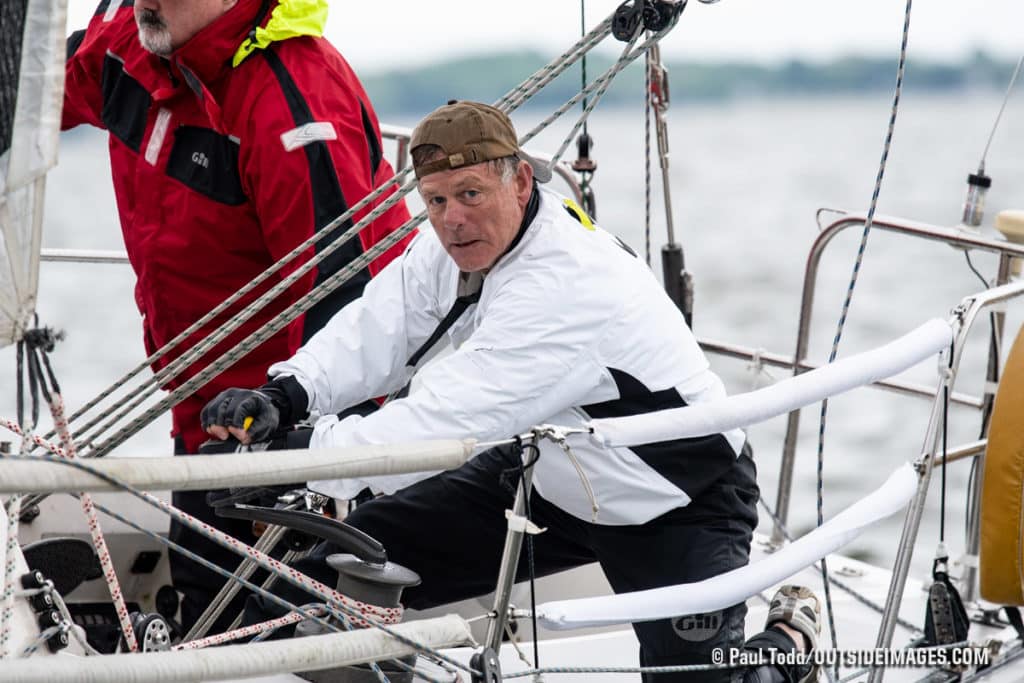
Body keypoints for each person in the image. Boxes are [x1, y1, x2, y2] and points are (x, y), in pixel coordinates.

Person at [202, 100, 814, 682]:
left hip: (674, 499)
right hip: (548, 476)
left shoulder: (564, 282)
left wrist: (302, 461)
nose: (452, 218)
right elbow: (383, 325)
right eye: (436, 200)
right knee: (335, 574)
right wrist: (287, 394)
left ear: (521, 181)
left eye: (470, 194)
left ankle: (791, 639)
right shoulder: (462, 242)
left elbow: (448, 416)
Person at [62, 0, 413, 633]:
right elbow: (32, 97)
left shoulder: (293, 96)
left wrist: (321, 462)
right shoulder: (132, 47)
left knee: (261, 633)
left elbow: (344, 301)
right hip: (201, 402)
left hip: (286, 414)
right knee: (203, 610)